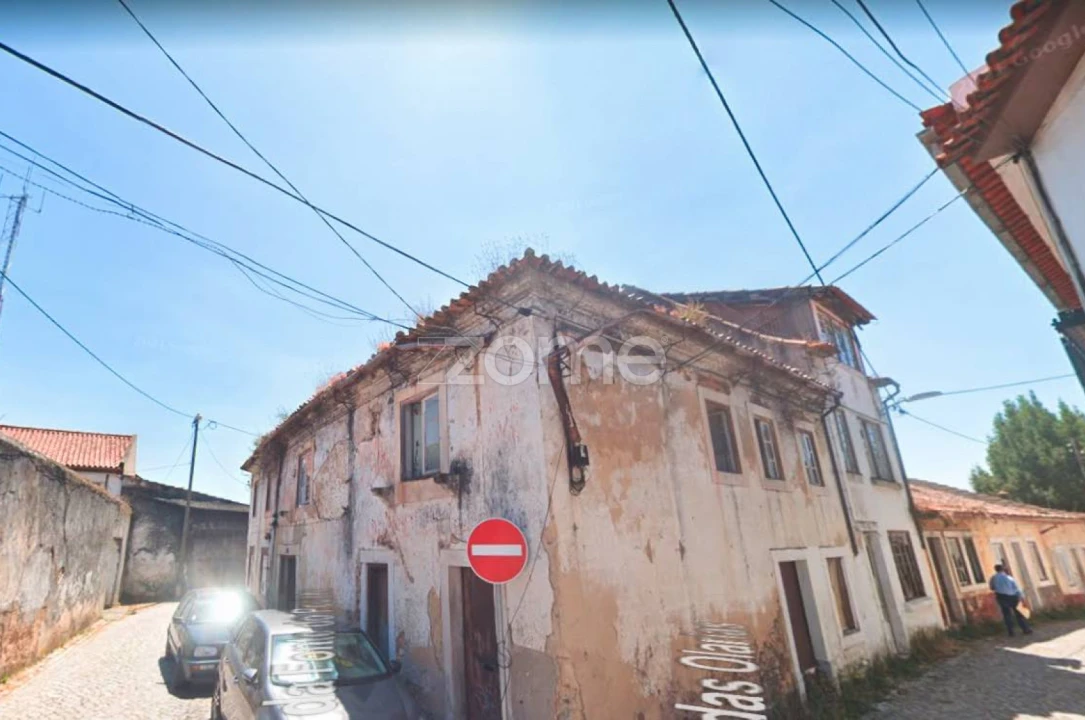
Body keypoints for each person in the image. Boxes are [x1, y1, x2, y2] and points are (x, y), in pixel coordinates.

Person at [989, 564, 1032, 637]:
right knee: (1019, 614)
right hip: (1013, 597)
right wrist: (1022, 598)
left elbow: (992, 588)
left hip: (1002, 597)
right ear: (1003, 569)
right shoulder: (1009, 578)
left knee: (1007, 615)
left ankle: (1011, 632)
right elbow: (1017, 589)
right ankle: (1025, 629)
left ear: (996, 570)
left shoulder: (993, 578)